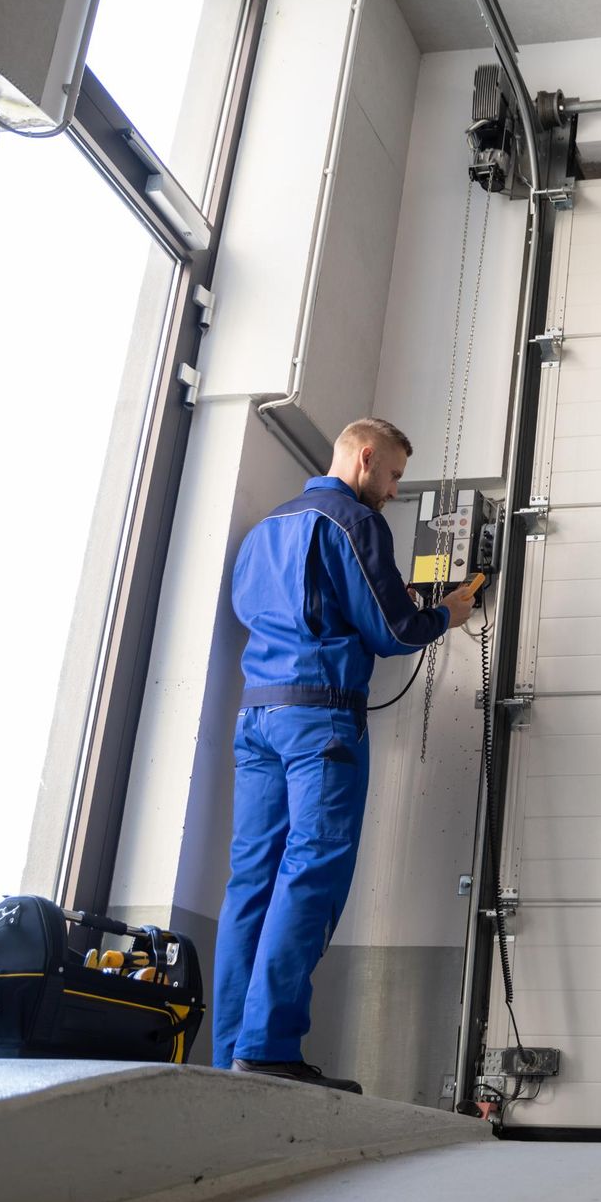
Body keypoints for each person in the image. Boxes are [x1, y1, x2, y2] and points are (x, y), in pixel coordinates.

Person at [214, 417, 478, 1093]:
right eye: (392, 475)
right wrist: (449, 609)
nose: (393, 490)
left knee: (253, 883)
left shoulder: (266, 529)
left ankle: (231, 1060)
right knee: (310, 875)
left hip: (257, 717)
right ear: (364, 458)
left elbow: (255, 609)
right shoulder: (351, 522)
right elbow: (394, 630)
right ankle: (269, 1049)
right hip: (319, 724)